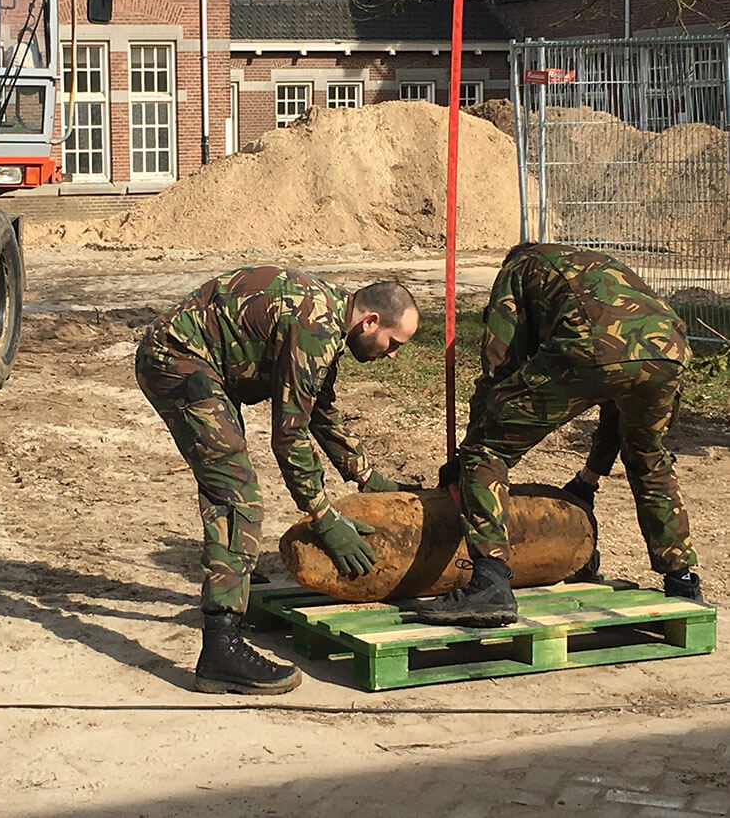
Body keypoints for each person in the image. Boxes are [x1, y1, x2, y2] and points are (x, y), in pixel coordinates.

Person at [135, 266, 421, 694]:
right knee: (236, 494)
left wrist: (367, 476)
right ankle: (221, 648)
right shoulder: (316, 328)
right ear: (370, 322)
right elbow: (290, 435)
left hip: (197, 362)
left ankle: (233, 584)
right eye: (393, 343)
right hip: (176, 361)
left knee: (233, 483)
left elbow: (319, 409)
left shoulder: (329, 318)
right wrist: (323, 516)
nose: (393, 353)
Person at [405, 241, 702, 629]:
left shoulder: (519, 266)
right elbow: (616, 404)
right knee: (648, 458)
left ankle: (490, 582)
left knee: (486, 451)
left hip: (589, 346)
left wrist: (469, 454)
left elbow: (499, 363)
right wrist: (587, 481)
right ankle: (682, 582)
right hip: (670, 350)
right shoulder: (595, 267)